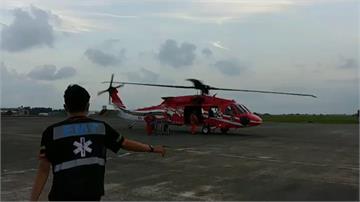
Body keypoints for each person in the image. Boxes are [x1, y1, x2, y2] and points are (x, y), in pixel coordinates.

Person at [30, 84, 166, 201]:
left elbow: (43, 170)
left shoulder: (51, 132)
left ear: (65, 106)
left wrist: (33, 200)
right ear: (88, 105)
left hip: (61, 196)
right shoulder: (101, 128)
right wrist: (152, 148)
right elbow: (125, 143)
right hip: (92, 195)